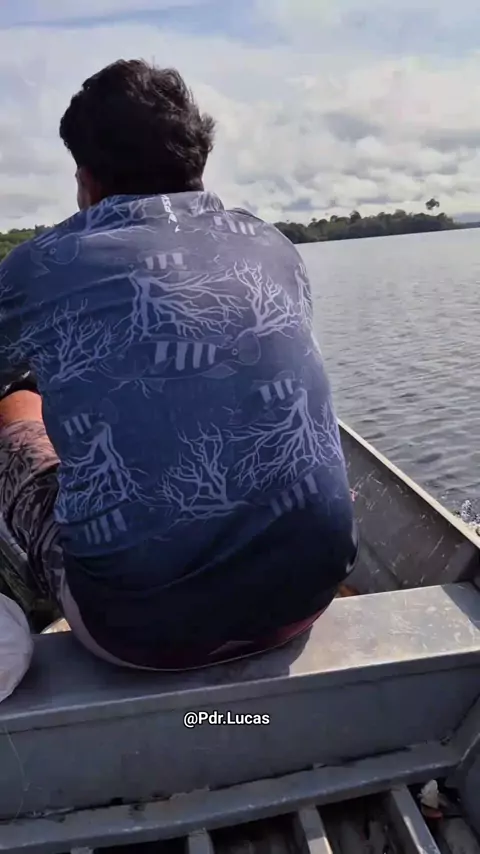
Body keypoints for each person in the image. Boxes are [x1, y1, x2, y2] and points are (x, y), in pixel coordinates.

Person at [0, 60, 357, 669]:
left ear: (86, 178)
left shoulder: (40, 266)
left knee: (16, 410)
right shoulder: (271, 244)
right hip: (307, 596)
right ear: (197, 162)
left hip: (137, 630)